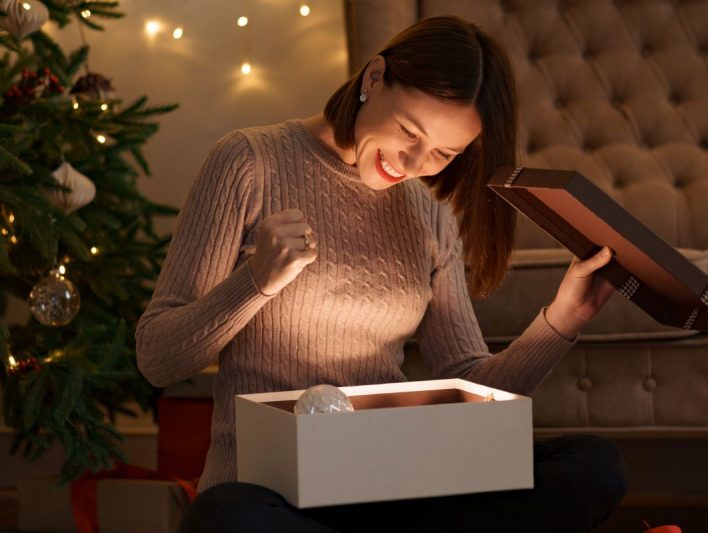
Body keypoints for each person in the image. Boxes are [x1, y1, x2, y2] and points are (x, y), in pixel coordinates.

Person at [136, 15, 625, 533]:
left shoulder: (430, 212)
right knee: (225, 518)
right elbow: (158, 359)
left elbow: (467, 382)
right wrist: (254, 281)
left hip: (394, 489)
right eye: (409, 131)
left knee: (590, 467)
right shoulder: (248, 162)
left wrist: (562, 321)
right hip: (272, 495)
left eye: (443, 153)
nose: (412, 162)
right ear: (374, 78)